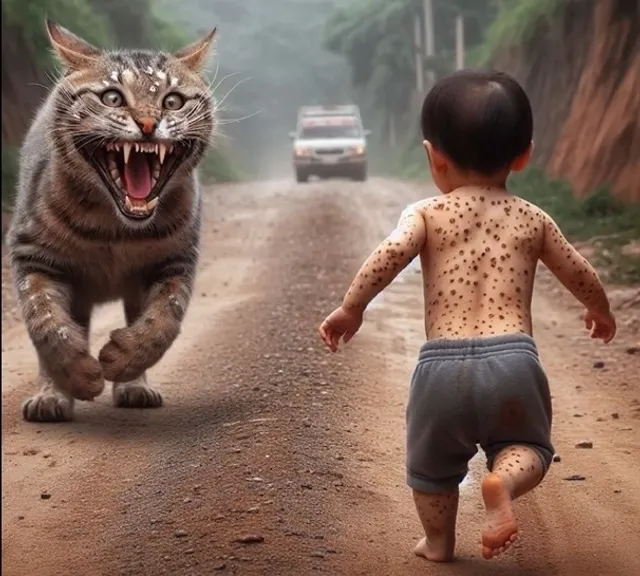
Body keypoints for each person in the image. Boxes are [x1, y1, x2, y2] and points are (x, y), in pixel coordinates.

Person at [318, 70, 616, 563]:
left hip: (441, 368)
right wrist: (599, 309)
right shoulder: (534, 218)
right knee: (527, 446)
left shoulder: (426, 213)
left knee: (431, 469)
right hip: (513, 362)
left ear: (434, 157)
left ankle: (438, 542)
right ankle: (502, 481)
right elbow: (579, 269)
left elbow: (391, 253)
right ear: (524, 155)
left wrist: (353, 308)